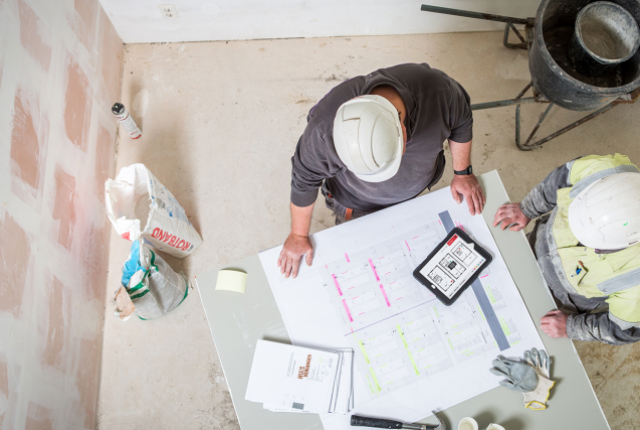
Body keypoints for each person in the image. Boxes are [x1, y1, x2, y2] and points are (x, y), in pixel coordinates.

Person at [277, 63, 485, 278]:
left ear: (402, 129)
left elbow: (461, 120)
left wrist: (463, 173)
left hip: (415, 194)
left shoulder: (439, 93)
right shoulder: (323, 131)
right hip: (357, 203)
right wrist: (298, 235)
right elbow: (304, 178)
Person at [493, 154, 640, 345]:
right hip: (536, 243)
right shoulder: (605, 169)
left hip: (559, 299)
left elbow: (626, 330)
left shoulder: (636, 282)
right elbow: (560, 179)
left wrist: (571, 327)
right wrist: (527, 209)